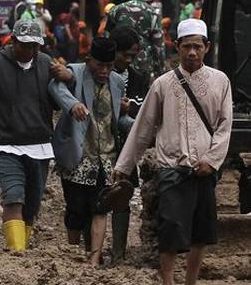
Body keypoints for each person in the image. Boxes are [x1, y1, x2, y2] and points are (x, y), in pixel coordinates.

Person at [113, 19, 232, 285]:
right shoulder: (162, 84)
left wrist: (212, 161)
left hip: (204, 170)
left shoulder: (220, 81)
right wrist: (123, 167)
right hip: (173, 169)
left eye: (197, 47)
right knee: (169, 230)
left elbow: (225, 126)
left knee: (201, 233)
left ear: (207, 47)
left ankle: (190, 281)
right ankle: (168, 281)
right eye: (187, 46)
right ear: (176, 47)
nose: (192, 52)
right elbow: (142, 128)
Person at [0, 18, 71, 251]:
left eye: (35, 46)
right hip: (7, 146)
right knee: (13, 198)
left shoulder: (45, 65)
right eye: (25, 45)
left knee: (32, 205)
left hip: (41, 146)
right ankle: (17, 253)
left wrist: (67, 78)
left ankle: (22, 244)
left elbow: (59, 101)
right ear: (12, 41)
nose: (30, 51)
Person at [49, 37, 126, 266]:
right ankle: (73, 255)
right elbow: (55, 86)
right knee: (76, 210)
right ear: (88, 60)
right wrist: (72, 104)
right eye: (99, 65)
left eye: (109, 66)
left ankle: (93, 260)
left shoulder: (117, 82)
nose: (104, 71)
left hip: (106, 157)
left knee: (101, 208)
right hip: (79, 155)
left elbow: (118, 117)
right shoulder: (76, 72)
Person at [109, 25, 150, 262]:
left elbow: (144, 108)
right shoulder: (99, 72)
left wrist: (129, 107)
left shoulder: (137, 78)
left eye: (131, 56)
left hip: (124, 146)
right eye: (123, 54)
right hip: (98, 145)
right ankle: (89, 250)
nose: (127, 60)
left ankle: (118, 253)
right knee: (92, 198)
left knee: (122, 196)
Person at [108, 0, 164, 79]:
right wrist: (160, 70)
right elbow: (158, 44)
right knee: (140, 91)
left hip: (118, 59)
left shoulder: (116, 9)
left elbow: (108, 35)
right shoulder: (153, 12)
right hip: (142, 60)